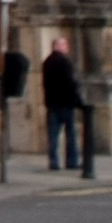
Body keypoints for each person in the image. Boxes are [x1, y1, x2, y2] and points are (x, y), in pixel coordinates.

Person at [39, 37, 83, 169]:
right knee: (70, 134)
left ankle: (53, 161)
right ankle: (72, 161)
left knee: (53, 135)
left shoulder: (47, 62)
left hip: (52, 102)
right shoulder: (65, 61)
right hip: (65, 103)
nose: (66, 47)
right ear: (58, 46)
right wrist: (77, 99)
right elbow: (71, 83)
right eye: (64, 45)